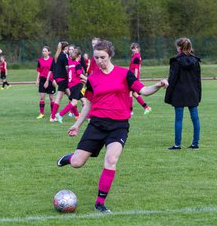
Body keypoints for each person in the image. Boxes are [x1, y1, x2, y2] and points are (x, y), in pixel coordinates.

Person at [57, 40, 168, 213]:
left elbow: (144, 90)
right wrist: (77, 125)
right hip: (97, 125)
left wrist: (159, 85)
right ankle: (69, 158)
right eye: (96, 58)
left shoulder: (125, 74)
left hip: (118, 126)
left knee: (111, 160)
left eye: (102, 57)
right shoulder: (92, 78)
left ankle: (99, 203)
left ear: (110, 55)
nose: (99, 61)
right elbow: (88, 105)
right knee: (77, 163)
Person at [165, 38, 201, 150]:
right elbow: (198, 80)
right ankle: (195, 143)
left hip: (179, 93)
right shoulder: (195, 61)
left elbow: (173, 79)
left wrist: (168, 94)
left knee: (178, 119)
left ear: (179, 48)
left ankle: (177, 144)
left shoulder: (176, 61)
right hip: (192, 92)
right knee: (195, 118)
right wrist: (198, 95)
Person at [55, 47, 87, 123]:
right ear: (79, 56)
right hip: (76, 85)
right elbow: (80, 75)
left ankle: (88, 117)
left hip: (72, 85)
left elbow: (75, 75)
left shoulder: (71, 63)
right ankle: (60, 114)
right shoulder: (77, 64)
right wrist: (88, 79)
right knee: (74, 102)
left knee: (84, 101)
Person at [129, 43, 152, 115]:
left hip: (132, 78)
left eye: (135, 48)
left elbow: (136, 68)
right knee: (134, 93)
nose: (134, 50)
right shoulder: (136, 56)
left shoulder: (136, 57)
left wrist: (135, 78)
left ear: (138, 49)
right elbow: (139, 67)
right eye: (133, 48)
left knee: (130, 93)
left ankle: (130, 111)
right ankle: (146, 107)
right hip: (131, 77)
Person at [50, 41, 70, 122]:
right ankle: (53, 116)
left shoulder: (57, 55)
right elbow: (67, 68)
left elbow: (54, 68)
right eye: (68, 47)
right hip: (63, 79)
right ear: (66, 48)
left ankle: (76, 114)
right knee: (59, 98)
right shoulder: (64, 56)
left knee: (71, 97)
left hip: (58, 79)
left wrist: (54, 78)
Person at [36, 46, 56, 119]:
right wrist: (37, 79)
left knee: (51, 97)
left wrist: (54, 80)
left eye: (45, 51)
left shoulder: (52, 60)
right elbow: (39, 70)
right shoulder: (40, 60)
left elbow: (54, 70)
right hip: (42, 79)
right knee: (42, 97)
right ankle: (41, 113)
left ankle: (52, 114)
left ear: (49, 52)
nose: (44, 52)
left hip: (50, 80)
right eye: (43, 51)